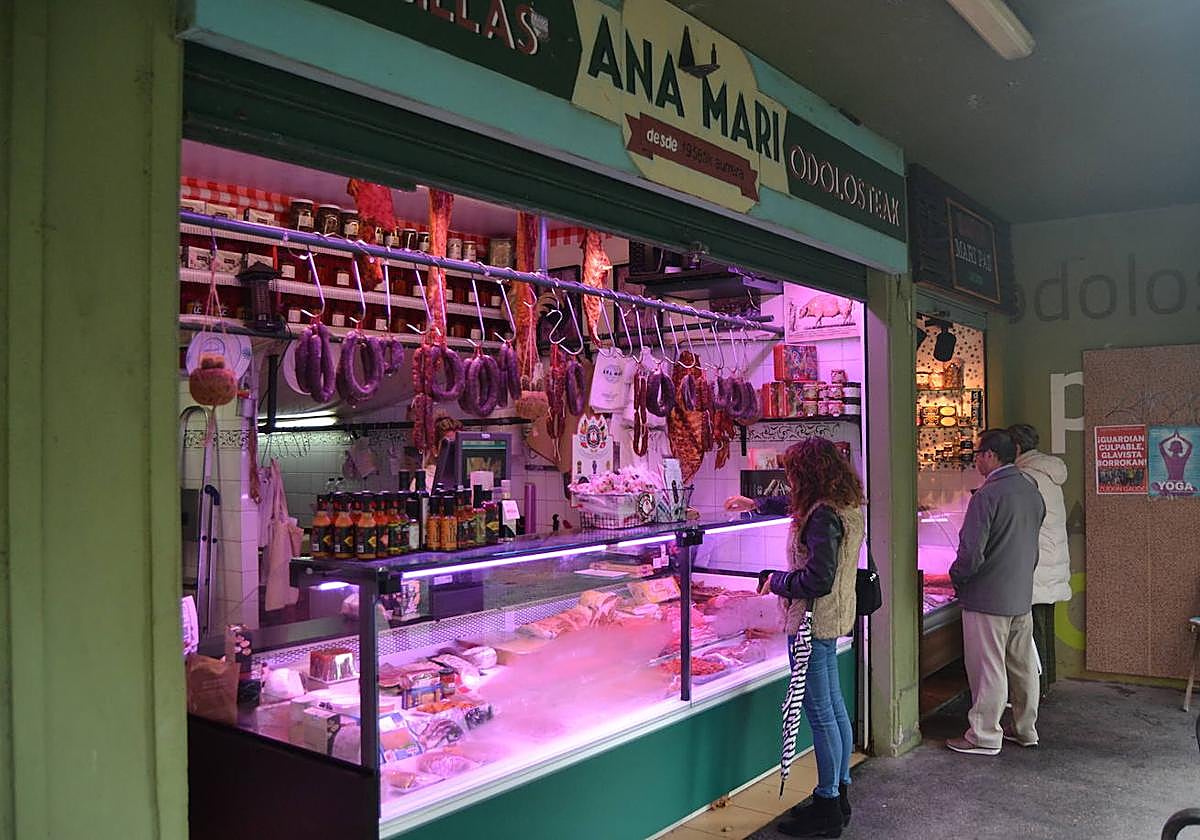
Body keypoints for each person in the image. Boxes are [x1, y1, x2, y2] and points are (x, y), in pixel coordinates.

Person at [725, 437, 865, 837]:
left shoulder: (822, 516)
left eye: (792, 473)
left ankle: (827, 806)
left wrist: (777, 581)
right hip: (833, 616)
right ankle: (838, 794)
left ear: (806, 474)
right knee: (834, 708)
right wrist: (756, 504)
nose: (789, 480)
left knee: (820, 714)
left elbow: (817, 580)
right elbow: (799, 512)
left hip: (811, 622)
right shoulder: (843, 504)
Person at [946, 429, 1045, 756]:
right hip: (1020, 593)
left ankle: (984, 735)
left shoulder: (987, 495)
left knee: (988, 667)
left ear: (990, 455)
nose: (975, 461)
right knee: (1022, 665)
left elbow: (971, 552)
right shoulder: (1030, 489)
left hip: (987, 596)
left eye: (977, 454)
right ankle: (1026, 728)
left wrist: (957, 578)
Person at [1007, 423, 1071, 697]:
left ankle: (1035, 688)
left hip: (1035, 562)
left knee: (1031, 631)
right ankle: (1046, 683)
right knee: (1044, 623)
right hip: (1052, 560)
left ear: (1016, 447)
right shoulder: (1049, 473)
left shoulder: (1026, 476)